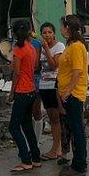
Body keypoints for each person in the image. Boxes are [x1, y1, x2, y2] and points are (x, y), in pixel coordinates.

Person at [8, 19, 41, 173]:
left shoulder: (18, 49)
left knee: (13, 127)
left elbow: (16, 72)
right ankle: (35, 158)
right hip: (32, 90)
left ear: (14, 33)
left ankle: (26, 160)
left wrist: (11, 93)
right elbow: (34, 67)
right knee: (27, 126)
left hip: (21, 91)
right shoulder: (31, 47)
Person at [57, 15, 89, 176]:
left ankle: (79, 166)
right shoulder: (72, 45)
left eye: (62, 26)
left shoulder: (76, 46)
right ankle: (78, 162)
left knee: (77, 129)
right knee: (76, 128)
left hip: (74, 94)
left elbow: (78, 71)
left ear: (67, 27)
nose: (60, 29)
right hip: (70, 93)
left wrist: (68, 91)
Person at [37, 22, 66, 161]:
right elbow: (39, 66)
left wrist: (47, 49)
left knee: (56, 118)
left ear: (54, 33)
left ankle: (56, 149)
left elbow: (54, 65)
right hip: (43, 86)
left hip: (55, 85)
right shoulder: (41, 48)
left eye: (49, 32)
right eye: (44, 33)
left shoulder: (59, 46)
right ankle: (57, 148)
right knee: (52, 118)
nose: (47, 35)